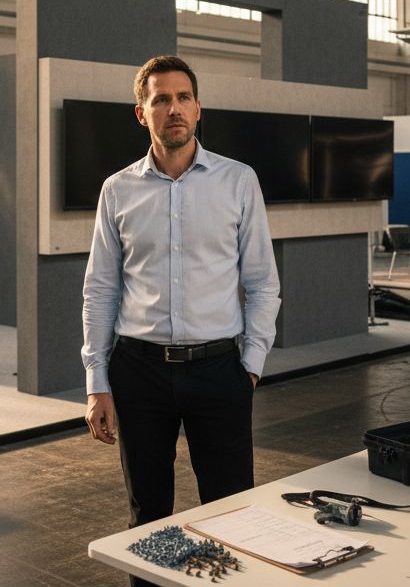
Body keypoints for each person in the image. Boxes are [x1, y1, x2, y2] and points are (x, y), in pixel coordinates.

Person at [81, 56, 280, 587]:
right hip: (138, 372)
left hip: (221, 370)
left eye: (184, 97)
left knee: (233, 513)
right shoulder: (117, 191)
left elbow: (262, 282)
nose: (174, 108)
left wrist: (251, 367)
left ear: (199, 108)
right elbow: (100, 290)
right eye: (161, 99)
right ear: (141, 113)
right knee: (149, 519)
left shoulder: (239, 181)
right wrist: (98, 381)